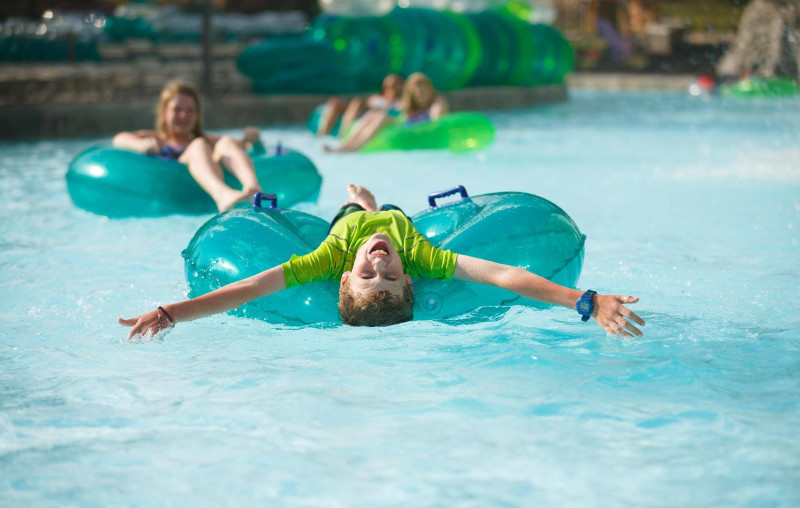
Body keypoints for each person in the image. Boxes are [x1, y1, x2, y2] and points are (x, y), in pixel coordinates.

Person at [119, 184, 645, 339]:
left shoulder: (329, 258)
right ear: (408, 276)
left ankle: (360, 203)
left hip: (341, 222)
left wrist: (171, 312)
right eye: (390, 275)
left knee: (354, 210)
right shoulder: (418, 253)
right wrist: (586, 300)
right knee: (385, 212)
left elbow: (252, 287)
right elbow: (503, 274)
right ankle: (374, 204)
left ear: (345, 277)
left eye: (370, 275)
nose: (379, 261)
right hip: (400, 217)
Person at [112, 80, 264, 213]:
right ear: (164, 112)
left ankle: (253, 189)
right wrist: (138, 144)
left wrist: (254, 141)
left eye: (190, 110)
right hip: (178, 185)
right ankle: (222, 195)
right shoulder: (157, 139)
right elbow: (119, 139)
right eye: (177, 109)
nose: (184, 115)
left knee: (225, 142)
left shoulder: (205, 139)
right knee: (198, 145)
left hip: (207, 176)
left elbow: (243, 145)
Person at [323, 73, 449, 153]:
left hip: (416, 130)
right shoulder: (412, 106)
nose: (421, 95)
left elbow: (436, 123)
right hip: (407, 126)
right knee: (374, 114)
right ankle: (346, 144)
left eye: (424, 91)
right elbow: (402, 113)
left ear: (431, 89)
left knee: (382, 116)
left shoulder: (436, 103)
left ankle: (353, 148)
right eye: (417, 93)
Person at [317, 74, 405, 137]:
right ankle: (321, 134)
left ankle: (343, 135)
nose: (390, 89)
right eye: (387, 86)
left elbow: (400, 113)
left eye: (394, 85)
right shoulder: (377, 97)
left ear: (401, 87)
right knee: (335, 103)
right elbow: (368, 103)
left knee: (358, 102)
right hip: (361, 113)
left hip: (373, 115)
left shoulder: (401, 101)